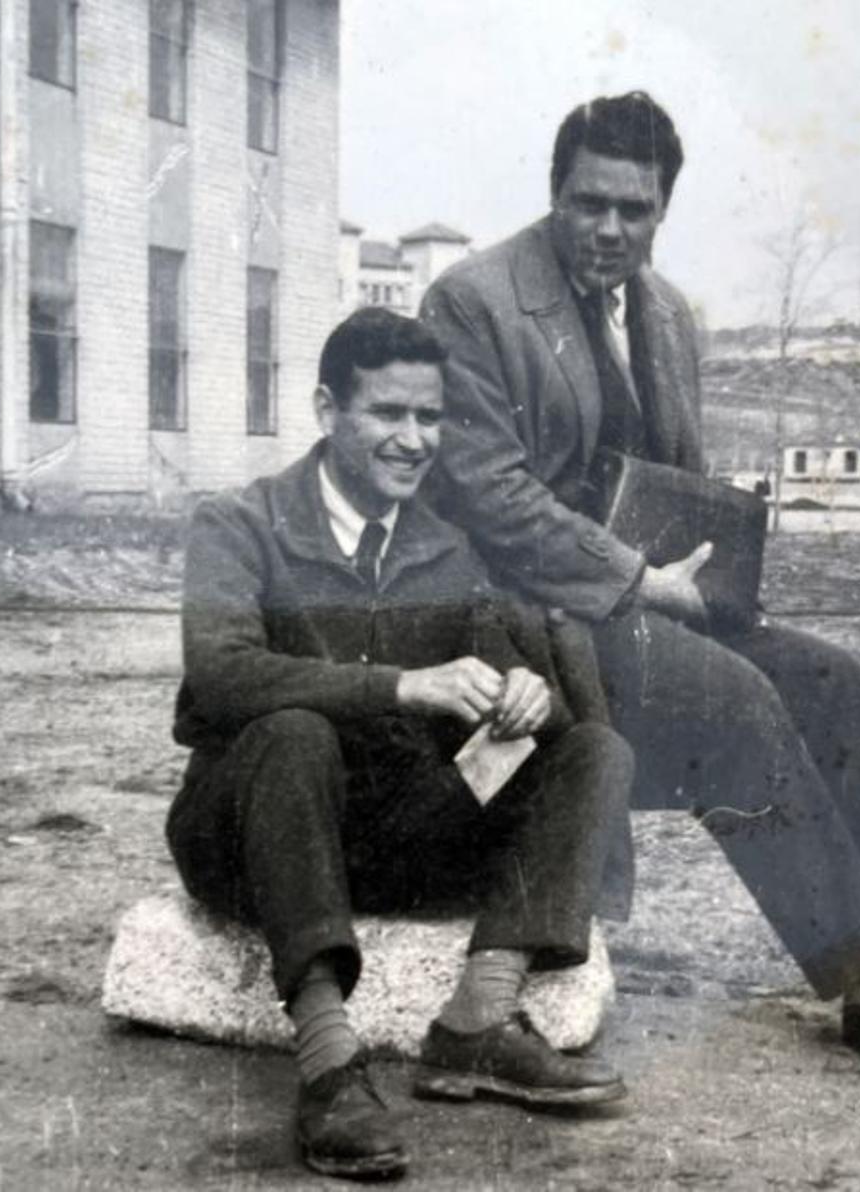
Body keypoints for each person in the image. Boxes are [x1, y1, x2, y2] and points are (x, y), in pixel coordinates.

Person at [420, 91, 860, 1089]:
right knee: (736, 702)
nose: (611, 230)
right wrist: (635, 578)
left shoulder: (666, 313)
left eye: (636, 209)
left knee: (826, 676)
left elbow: (677, 482)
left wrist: (715, 563)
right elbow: (488, 495)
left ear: (664, 207)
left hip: (645, 605)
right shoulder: (474, 302)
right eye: (589, 205)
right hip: (525, 624)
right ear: (554, 193)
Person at [166, 307, 636, 1181]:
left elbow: (510, 694)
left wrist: (528, 696)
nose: (415, 440)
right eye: (389, 414)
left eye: (431, 418)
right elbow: (223, 675)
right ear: (326, 410)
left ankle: (476, 1023)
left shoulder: (444, 545)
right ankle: (329, 1063)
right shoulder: (239, 524)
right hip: (250, 832)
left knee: (592, 749)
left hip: (398, 838)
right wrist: (400, 685)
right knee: (295, 733)